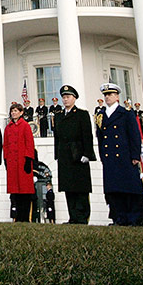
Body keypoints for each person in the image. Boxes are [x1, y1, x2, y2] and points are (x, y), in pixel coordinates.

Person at [96, 83, 143, 226]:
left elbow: (134, 135)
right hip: (110, 158)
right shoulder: (101, 115)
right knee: (113, 190)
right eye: (106, 95)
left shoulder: (126, 113)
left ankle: (132, 218)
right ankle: (118, 218)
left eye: (110, 94)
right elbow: (100, 138)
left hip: (125, 157)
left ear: (117, 96)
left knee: (128, 189)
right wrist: (103, 156)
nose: (107, 97)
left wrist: (135, 156)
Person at [53, 85, 96, 224]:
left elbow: (87, 135)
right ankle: (72, 217)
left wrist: (87, 153)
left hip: (78, 154)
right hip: (65, 155)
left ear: (74, 98)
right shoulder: (59, 116)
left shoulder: (82, 114)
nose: (65, 100)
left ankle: (82, 217)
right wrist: (57, 155)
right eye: (64, 97)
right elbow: (57, 137)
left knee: (80, 188)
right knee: (68, 188)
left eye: (68, 97)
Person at [4, 102, 35, 222]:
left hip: (23, 162)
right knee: (15, 191)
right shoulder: (8, 127)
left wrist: (28, 159)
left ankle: (25, 217)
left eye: (16, 111)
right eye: (12, 111)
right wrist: (6, 159)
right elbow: (5, 145)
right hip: (12, 163)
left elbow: (29, 143)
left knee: (25, 191)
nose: (13, 113)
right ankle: (17, 217)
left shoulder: (25, 126)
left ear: (21, 113)